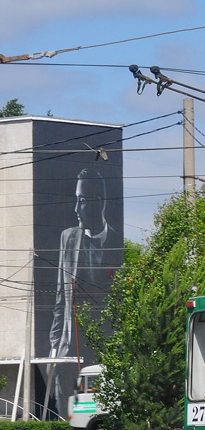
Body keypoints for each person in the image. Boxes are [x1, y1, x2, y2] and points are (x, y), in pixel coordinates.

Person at [48, 168, 119, 417]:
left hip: (100, 354)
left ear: (98, 203)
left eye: (81, 201)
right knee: (63, 416)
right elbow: (60, 298)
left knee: (95, 415)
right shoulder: (67, 238)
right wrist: (55, 346)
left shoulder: (116, 242)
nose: (76, 209)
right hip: (68, 352)